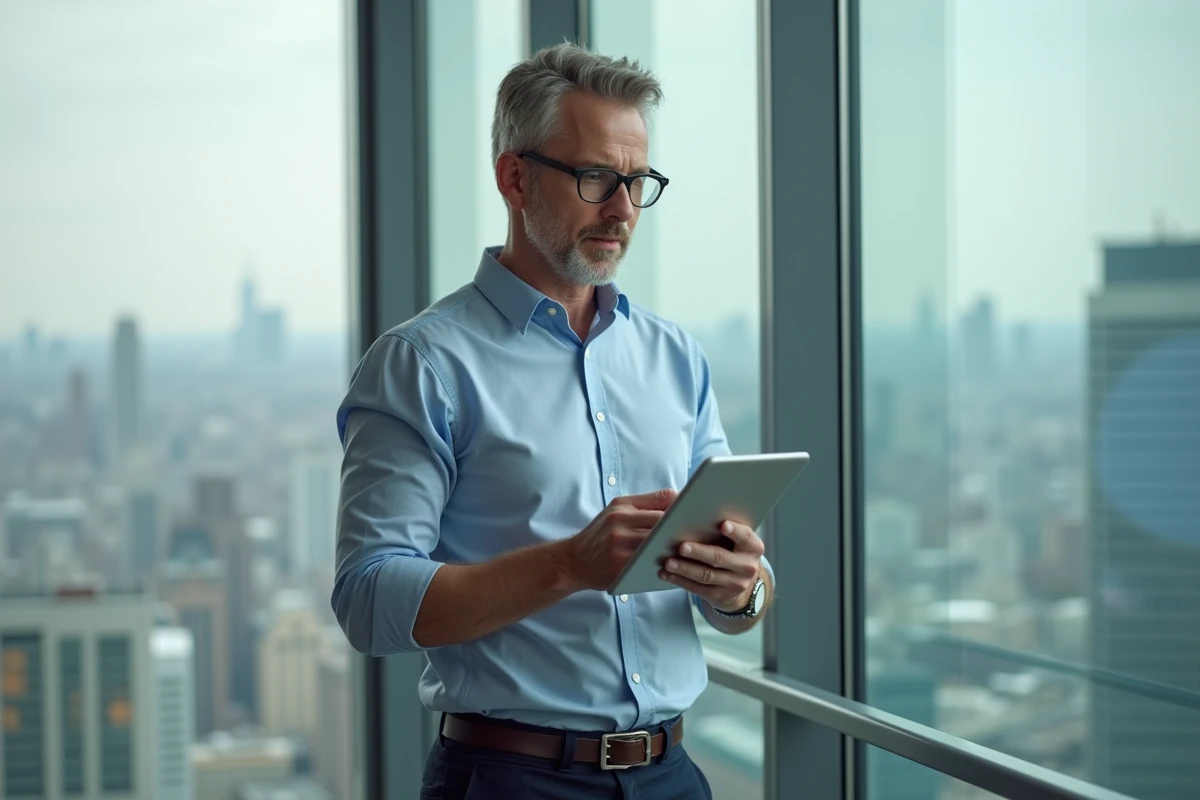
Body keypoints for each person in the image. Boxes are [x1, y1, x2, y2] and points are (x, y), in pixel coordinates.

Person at [332, 43, 775, 799]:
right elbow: (369, 601)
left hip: (673, 775)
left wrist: (741, 591)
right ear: (514, 176)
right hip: (513, 779)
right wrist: (569, 565)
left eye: (637, 182)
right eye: (597, 176)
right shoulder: (423, 364)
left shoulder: (674, 357)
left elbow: (738, 598)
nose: (624, 209)